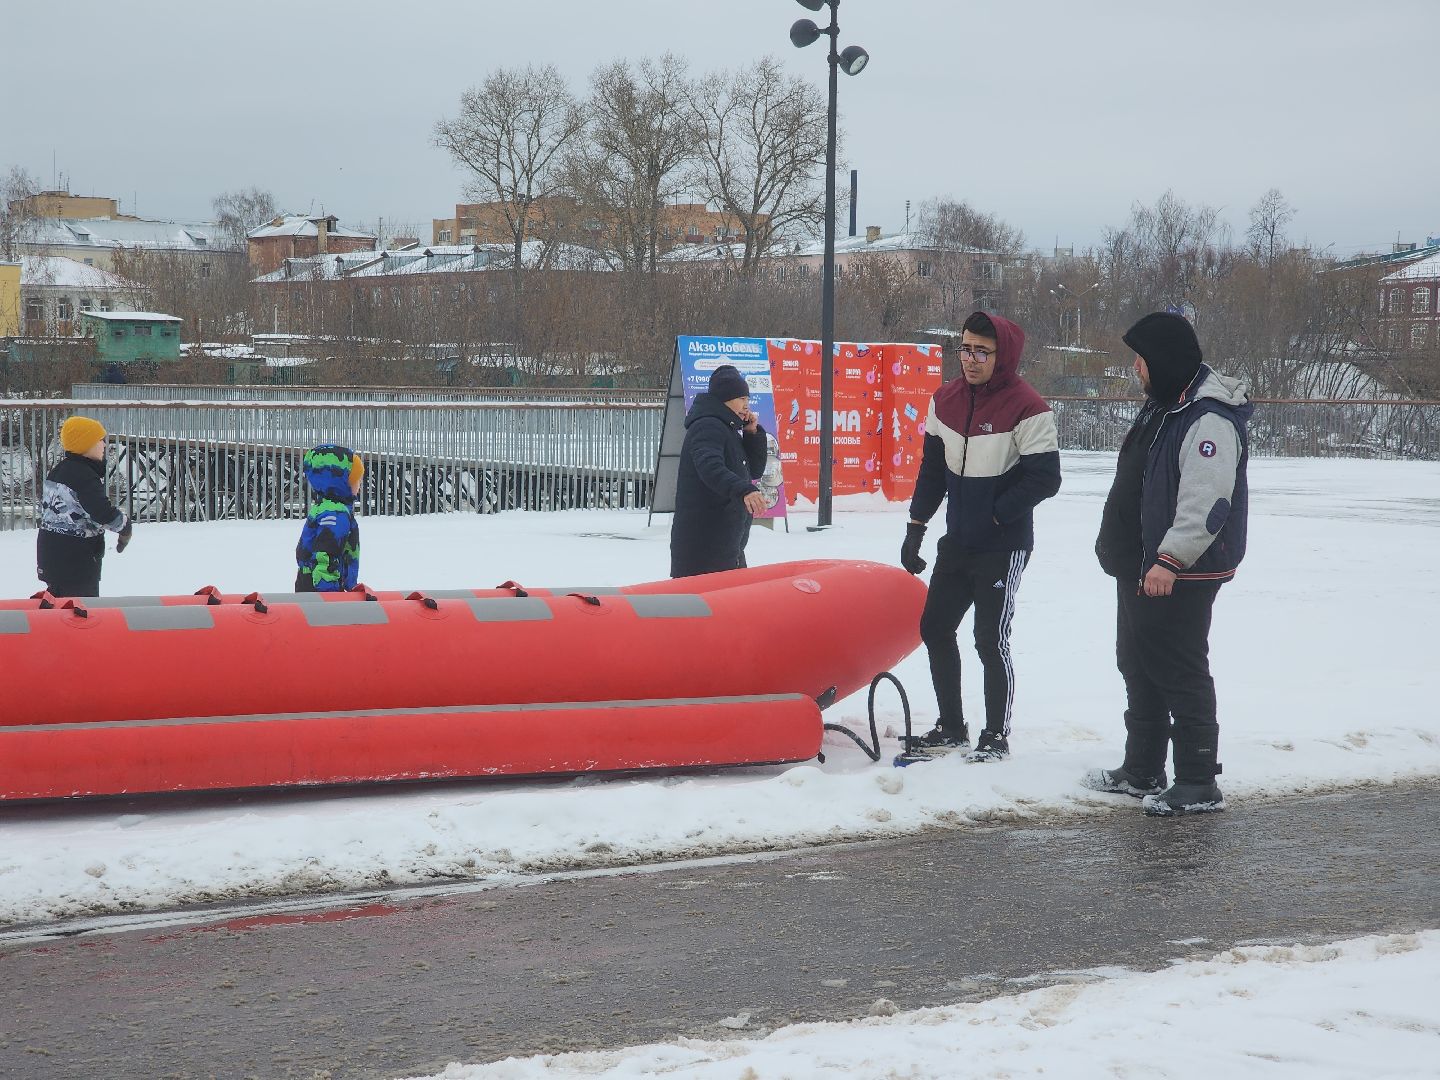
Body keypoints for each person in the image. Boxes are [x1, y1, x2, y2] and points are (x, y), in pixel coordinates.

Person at [1083, 312, 1252, 816]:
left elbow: (1208, 503)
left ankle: (1198, 780)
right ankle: (1142, 769)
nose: (1135, 368)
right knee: (1138, 662)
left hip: (1179, 570)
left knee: (1179, 669)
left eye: (1141, 358)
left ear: (1163, 360)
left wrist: (1170, 559)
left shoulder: (1207, 418)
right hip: (1142, 567)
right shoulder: (1164, 406)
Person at [901, 312, 1061, 762]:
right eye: (965, 348)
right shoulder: (945, 399)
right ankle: (952, 727)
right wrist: (916, 527)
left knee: (990, 639)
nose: (970, 359)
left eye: (981, 351)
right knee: (935, 627)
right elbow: (932, 470)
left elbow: (1045, 479)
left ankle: (996, 735)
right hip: (957, 542)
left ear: (1002, 354)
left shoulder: (1028, 406)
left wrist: (994, 516)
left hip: (1002, 545)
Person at [670, 365, 768, 578]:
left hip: (727, 545)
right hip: (704, 547)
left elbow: (754, 470)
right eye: (741, 398)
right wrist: (744, 490)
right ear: (725, 398)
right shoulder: (707, 426)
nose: (746, 405)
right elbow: (710, 467)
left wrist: (752, 435)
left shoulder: (728, 429)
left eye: (748, 400)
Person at [36, 415, 133, 598]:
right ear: (85, 444)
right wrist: (125, 526)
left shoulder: (59, 471)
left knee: (59, 610)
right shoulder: (84, 475)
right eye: (100, 440)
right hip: (75, 562)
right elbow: (101, 513)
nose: (104, 445)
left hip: (51, 556)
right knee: (81, 617)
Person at [296, 444, 363, 592]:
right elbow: (326, 553)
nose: (359, 484)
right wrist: (329, 596)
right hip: (322, 586)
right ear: (342, 482)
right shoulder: (335, 513)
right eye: (356, 479)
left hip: (313, 582)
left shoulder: (326, 507)